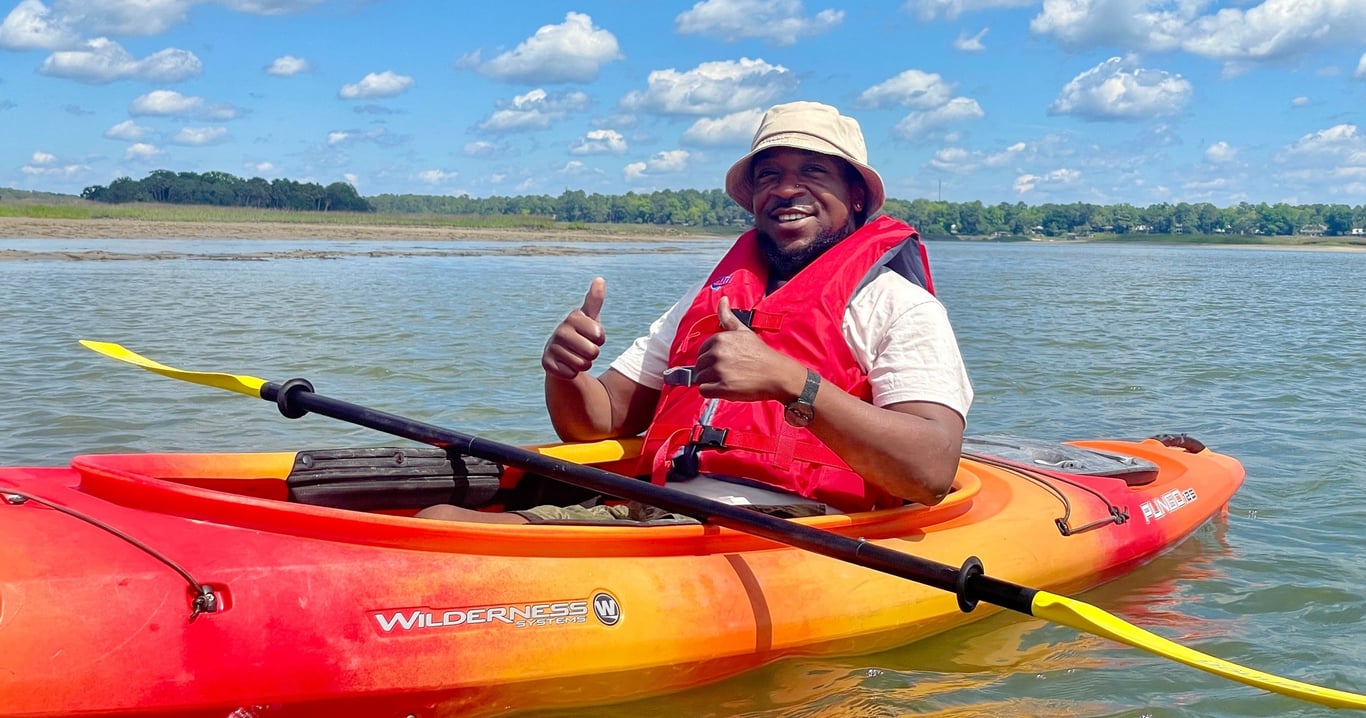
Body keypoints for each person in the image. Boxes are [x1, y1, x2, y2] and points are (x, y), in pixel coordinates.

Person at [417, 101, 972, 523]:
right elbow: (595, 421)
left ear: (856, 197)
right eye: (769, 175)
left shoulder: (898, 305)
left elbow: (929, 471)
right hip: (656, 512)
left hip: (794, 529)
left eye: (812, 171)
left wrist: (793, 383)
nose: (786, 189)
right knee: (440, 520)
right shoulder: (709, 296)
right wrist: (566, 373)